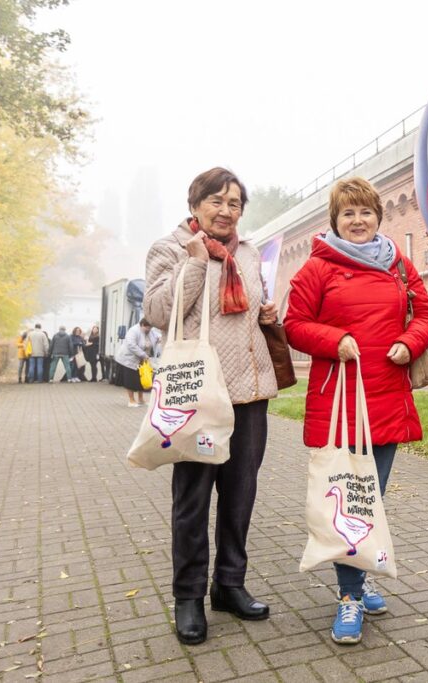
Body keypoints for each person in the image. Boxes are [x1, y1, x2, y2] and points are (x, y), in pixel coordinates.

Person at [284, 177, 428, 645]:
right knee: (351, 500)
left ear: (378, 216)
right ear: (334, 220)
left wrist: (408, 342)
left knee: (374, 498)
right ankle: (349, 596)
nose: (358, 220)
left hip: (386, 397)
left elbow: (427, 315)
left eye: (365, 212)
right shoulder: (317, 267)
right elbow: (295, 324)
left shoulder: (398, 264)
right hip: (340, 400)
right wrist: (335, 340)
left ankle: (360, 576)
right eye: (348, 213)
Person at [143, 167, 279, 646]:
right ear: (195, 204)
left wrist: (267, 314)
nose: (225, 211)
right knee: (193, 499)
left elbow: (249, 310)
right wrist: (196, 263)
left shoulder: (249, 252)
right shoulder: (171, 248)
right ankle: (188, 596)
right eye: (216, 201)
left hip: (250, 395)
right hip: (200, 395)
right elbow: (158, 313)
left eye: (234, 203)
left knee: (240, 496)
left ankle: (229, 585)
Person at [113, 319, 155, 406]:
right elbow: (131, 345)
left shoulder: (150, 332)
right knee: (130, 381)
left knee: (141, 379)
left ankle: (141, 399)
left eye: (150, 328)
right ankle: (131, 401)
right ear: (142, 325)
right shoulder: (133, 330)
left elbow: (156, 337)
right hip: (128, 359)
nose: (149, 330)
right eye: (147, 328)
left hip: (140, 360)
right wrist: (143, 354)